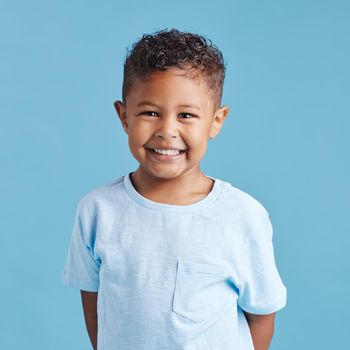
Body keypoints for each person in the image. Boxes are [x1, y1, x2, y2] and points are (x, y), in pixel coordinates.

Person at [61, 28, 287, 350]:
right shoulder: (96, 211)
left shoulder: (242, 216)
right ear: (124, 116)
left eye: (186, 115)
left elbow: (262, 316)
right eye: (150, 113)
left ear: (216, 121)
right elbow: (94, 306)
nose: (167, 131)